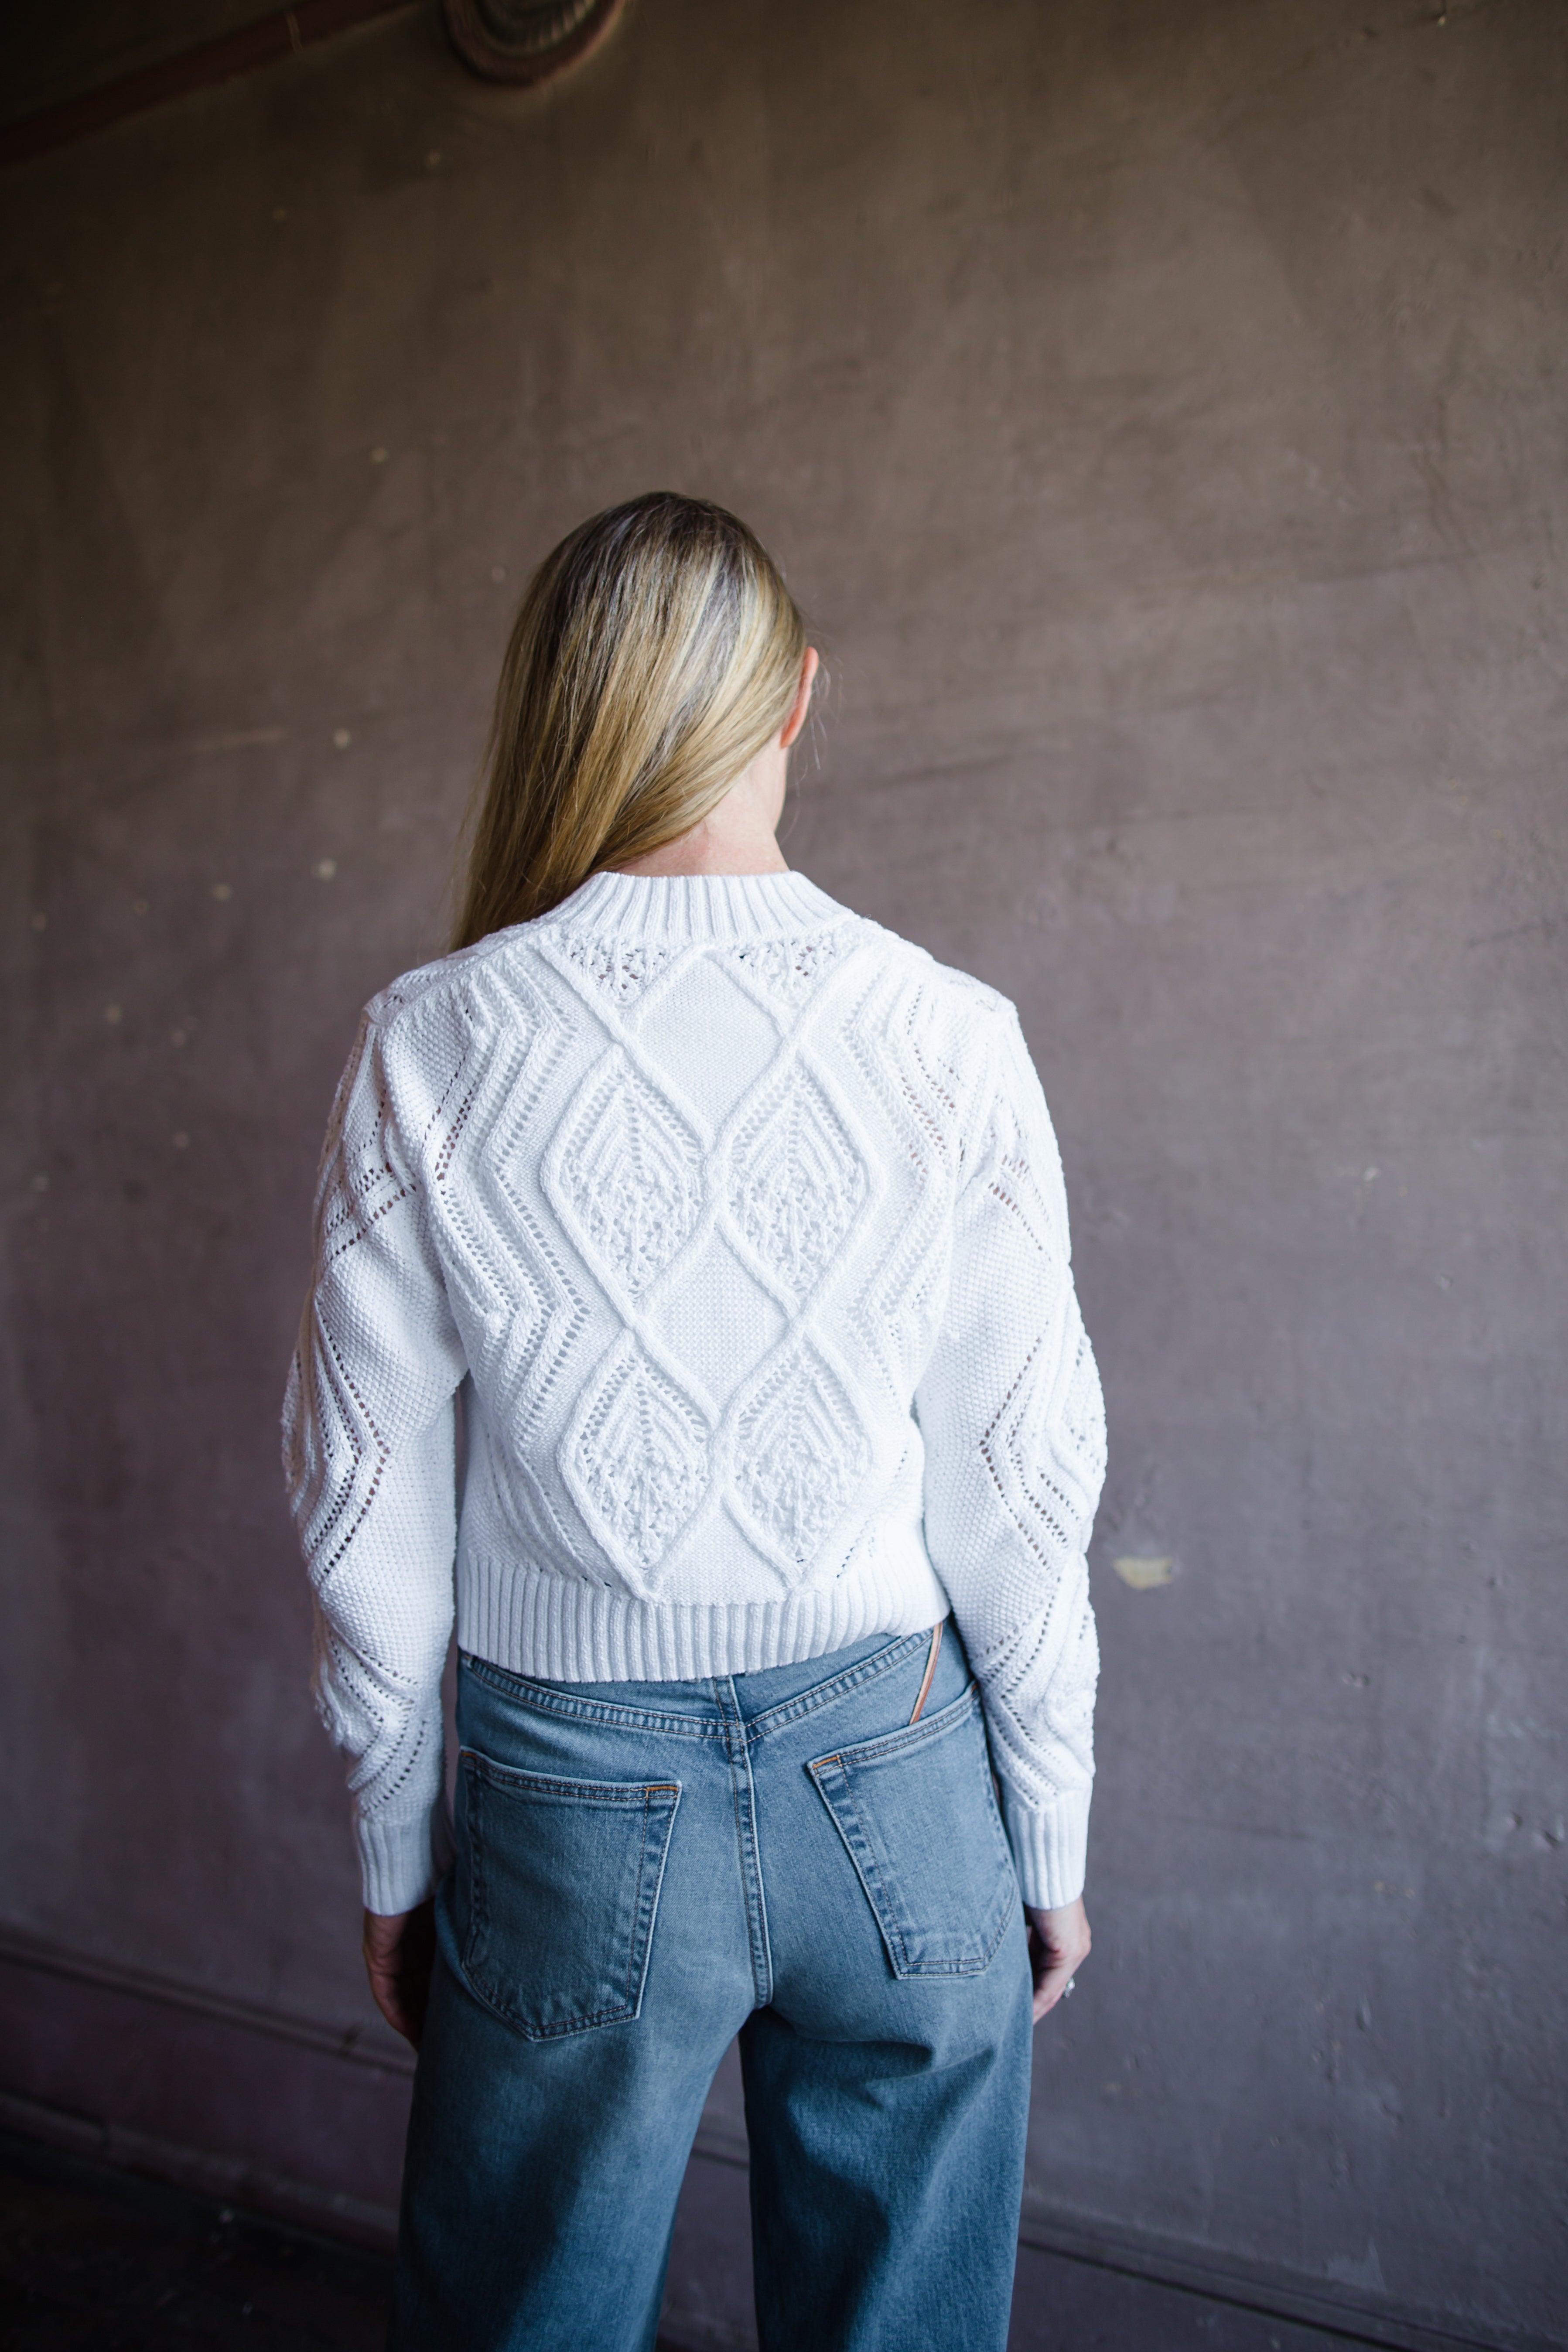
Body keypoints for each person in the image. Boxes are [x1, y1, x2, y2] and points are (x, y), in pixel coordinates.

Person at [282, 492, 1106, 2352]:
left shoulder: (435, 1031)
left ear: (561, 709)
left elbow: (364, 1493)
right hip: (898, 1777)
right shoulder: (946, 1028)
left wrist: (393, 1849)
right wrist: (1042, 1835)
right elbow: (1018, 1482)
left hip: (569, 1798)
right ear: (796, 698)